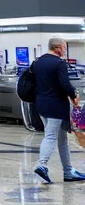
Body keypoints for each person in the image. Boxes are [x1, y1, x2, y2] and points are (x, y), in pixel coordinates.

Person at [32, 38, 85, 183]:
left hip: (41, 104)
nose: (64, 51)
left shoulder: (38, 62)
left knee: (62, 139)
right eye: (63, 48)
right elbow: (65, 84)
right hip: (56, 105)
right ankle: (42, 165)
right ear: (57, 48)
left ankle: (68, 171)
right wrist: (74, 95)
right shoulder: (59, 63)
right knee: (50, 136)